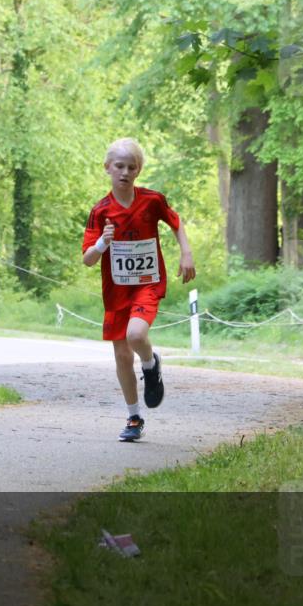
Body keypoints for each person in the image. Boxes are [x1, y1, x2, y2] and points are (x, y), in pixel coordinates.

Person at [82, 138, 196, 443]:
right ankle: (134, 417)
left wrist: (186, 253)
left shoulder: (152, 200)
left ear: (138, 170)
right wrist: (103, 243)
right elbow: (88, 260)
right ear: (107, 167)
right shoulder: (100, 211)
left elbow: (175, 221)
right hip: (117, 291)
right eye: (119, 166)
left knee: (135, 336)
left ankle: (150, 364)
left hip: (147, 283)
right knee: (121, 356)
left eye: (132, 167)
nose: (125, 172)